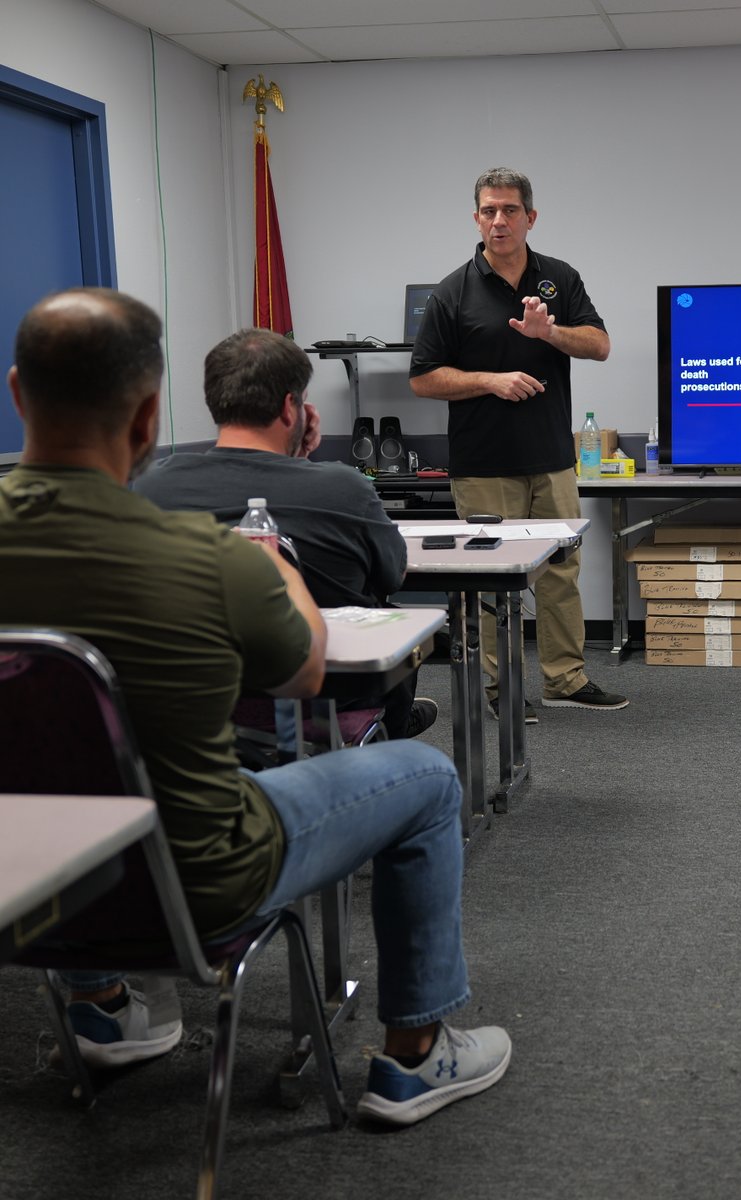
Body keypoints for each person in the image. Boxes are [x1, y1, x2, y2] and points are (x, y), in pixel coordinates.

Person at [0, 288, 510, 1125]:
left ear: (18, 393)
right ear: (148, 414)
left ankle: (99, 1003)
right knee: (425, 774)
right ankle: (418, 1056)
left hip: (34, 880)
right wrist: (277, 569)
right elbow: (303, 674)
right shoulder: (211, 559)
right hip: (199, 878)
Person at [134, 327, 436, 741]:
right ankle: (394, 734)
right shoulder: (342, 488)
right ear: (291, 408)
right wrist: (302, 460)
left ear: (215, 402)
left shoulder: (151, 488)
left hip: (195, 698)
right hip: (325, 698)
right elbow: (392, 575)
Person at [409, 167, 628, 720]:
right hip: (483, 465)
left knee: (561, 574)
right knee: (489, 584)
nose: (499, 221)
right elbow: (423, 377)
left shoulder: (559, 278)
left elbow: (599, 345)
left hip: (552, 459)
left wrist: (547, 333)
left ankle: (565, 679)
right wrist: (488, 379)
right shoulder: (451, 292)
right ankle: (494, 690)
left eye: (509, 210)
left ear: (531, 218)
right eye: (488, 210)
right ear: (477, 218)